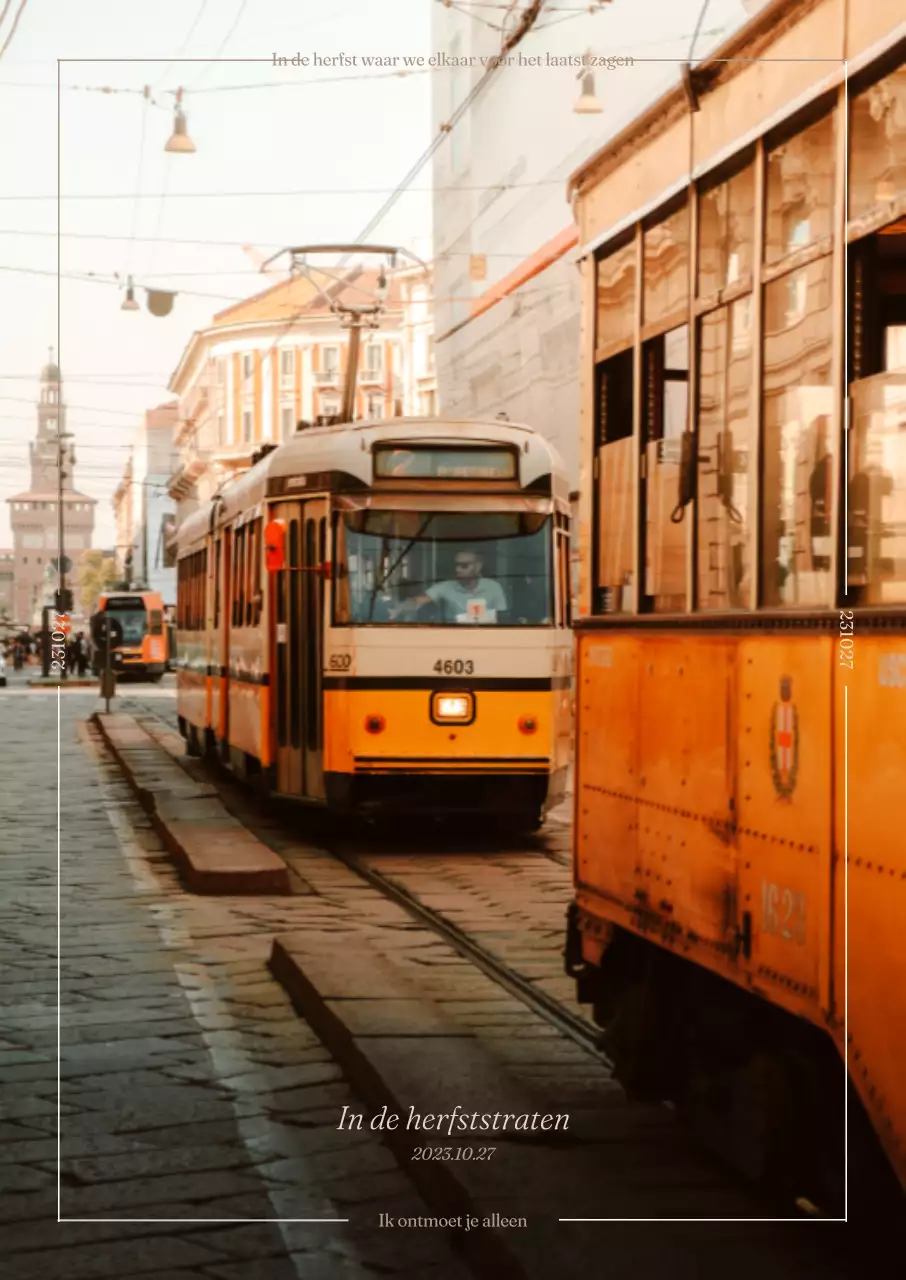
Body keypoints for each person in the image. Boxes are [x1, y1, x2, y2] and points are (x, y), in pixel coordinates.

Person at [391, 549, 507, 623]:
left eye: (464, 565)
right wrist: (399, 609)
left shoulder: (493, 587)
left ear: (478, 567)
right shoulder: (445, 587)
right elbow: (419, 601)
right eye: (456, 565)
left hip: (487, 640)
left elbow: (503, 617)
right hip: (453, 639)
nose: (458, 569)